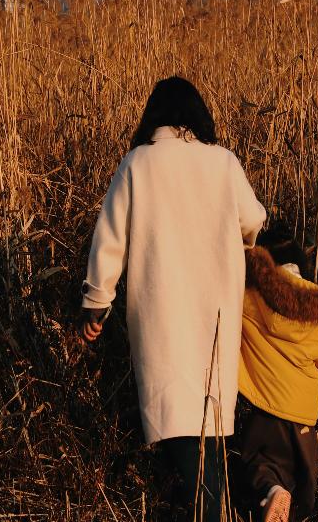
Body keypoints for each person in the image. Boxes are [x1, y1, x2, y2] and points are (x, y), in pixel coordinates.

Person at [80, 76, 266, 521]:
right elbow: (254, 219)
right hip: (215, 314)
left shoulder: (137, 165)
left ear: (154, 118)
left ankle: (210, 512)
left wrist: (96, 301)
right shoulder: (223, 163)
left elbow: (109, 241)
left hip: (162, 314)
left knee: (177, 423)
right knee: (211, 426)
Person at [238, 223, 318, 521]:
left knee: (261, 468)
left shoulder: (248, 298)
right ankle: (284, 499)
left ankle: (273, 492)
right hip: (303, 419)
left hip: (265, 410)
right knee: (303, 488)